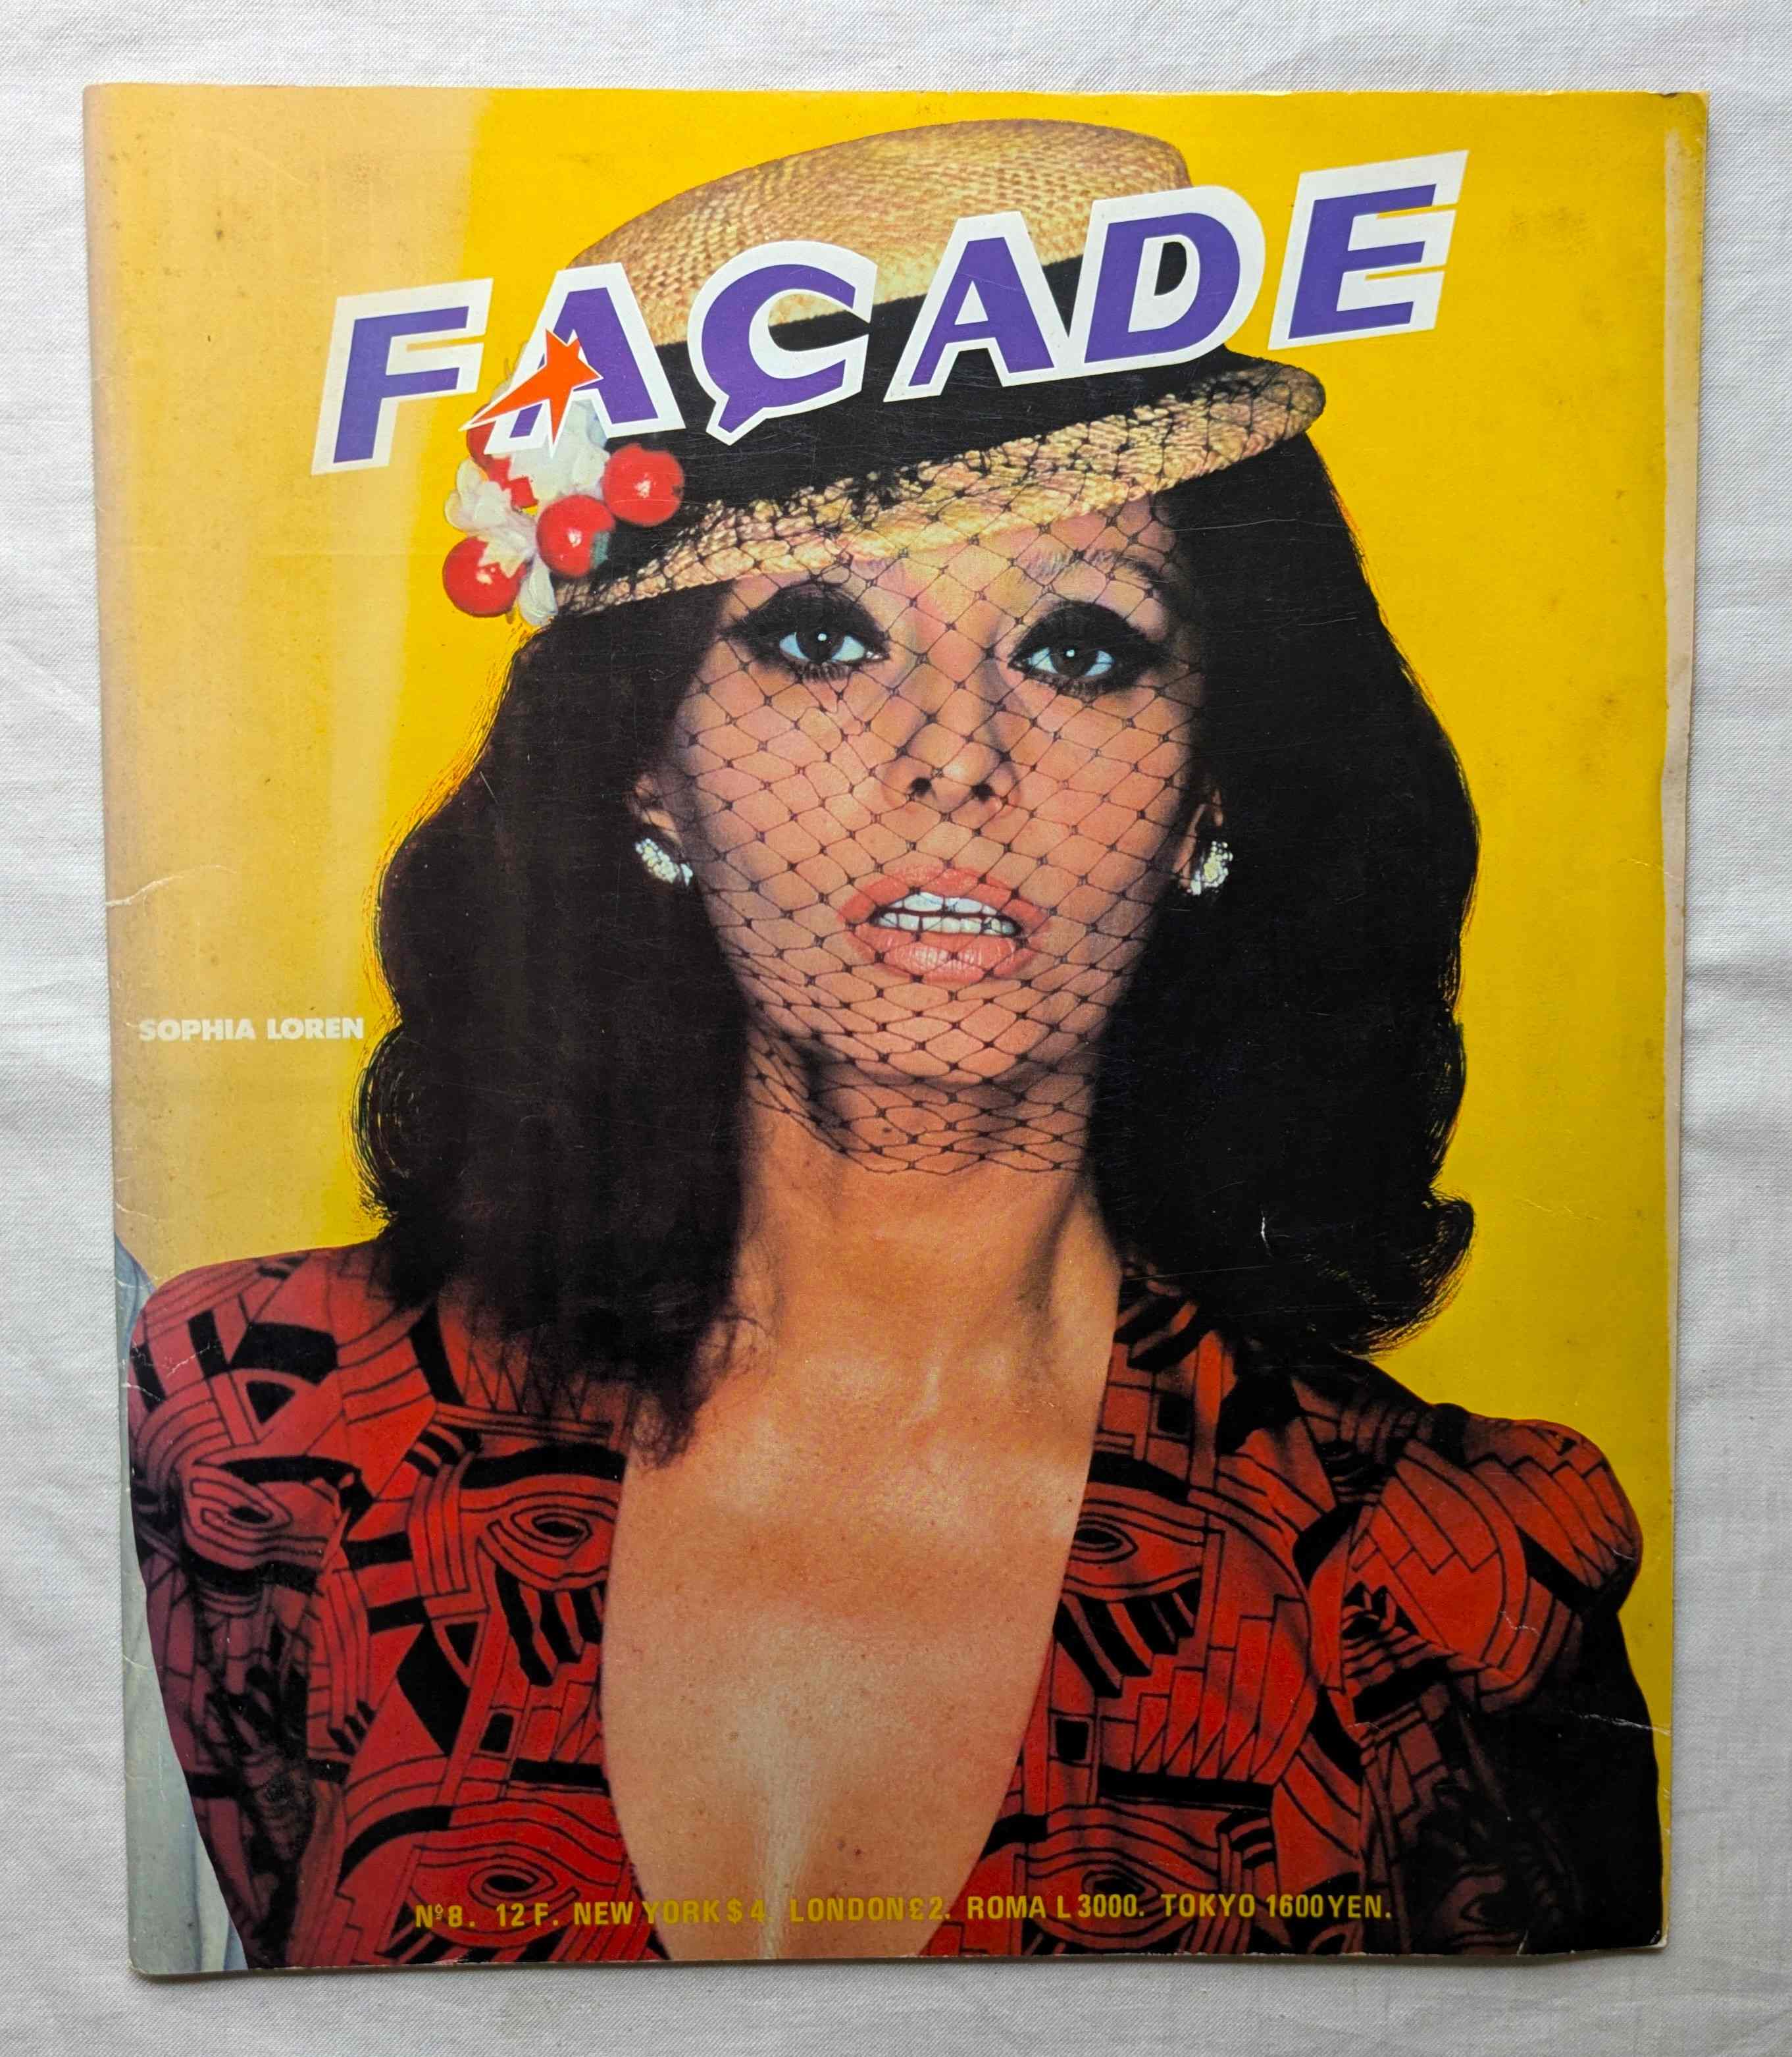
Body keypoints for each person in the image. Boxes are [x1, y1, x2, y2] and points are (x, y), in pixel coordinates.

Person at [126, 118, 1661, 1969]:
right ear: (647, 770)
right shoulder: (262, 1425)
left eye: (1079, 650)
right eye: (820, 639)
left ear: (1211, 796)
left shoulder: (1450, 1578)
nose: (952, 761)